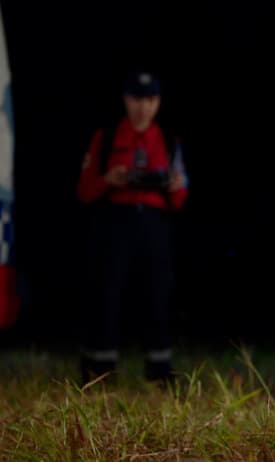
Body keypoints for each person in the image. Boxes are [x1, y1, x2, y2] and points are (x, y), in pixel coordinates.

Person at [76, 70, 188, 384]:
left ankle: (160, 371)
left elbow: (181, 197)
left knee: (157, 294)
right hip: (115, 222)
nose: (143, 107)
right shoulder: (107, 137)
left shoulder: (169, 142)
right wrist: (108, 180)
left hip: (153, 224)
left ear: (158, 102)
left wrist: (174, 185)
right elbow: (84, 191)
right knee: (107, 293)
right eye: (137, 99)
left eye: (150, 100)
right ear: (126, 100)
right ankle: (99, 371)